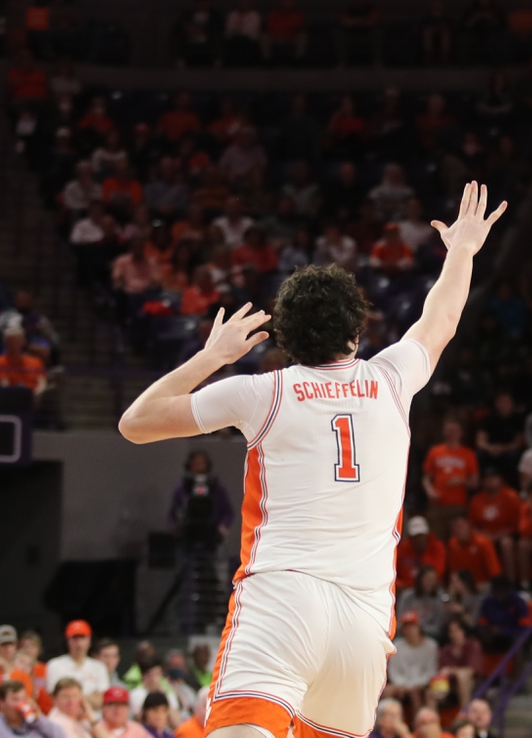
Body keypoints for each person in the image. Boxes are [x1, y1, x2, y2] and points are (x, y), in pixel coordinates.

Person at [117, 182, 505, 738]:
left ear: (288, 336)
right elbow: (439, 319)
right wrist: (463, 250)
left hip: (283, 598)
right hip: (364, 620)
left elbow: (136, 423)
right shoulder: (391, 378)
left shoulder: (261, 392)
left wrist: (211, 356)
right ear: (357, 325)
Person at [422, 420, 480, 541]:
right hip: (437, 505)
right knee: (436, 540)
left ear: (460, 433)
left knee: (456, 541)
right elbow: (426, 478)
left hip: (458, 506)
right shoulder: (435, 452)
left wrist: (461, 481)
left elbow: (475, 482)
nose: (451, 433)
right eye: (448, 430)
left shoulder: (468, 454)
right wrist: (430, 491)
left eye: (454, 430)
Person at [383, 613, 438, 718]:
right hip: (402, 684)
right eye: (406, 627)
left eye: (413, 626)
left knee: (415, 693)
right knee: (387, 691)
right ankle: (389, 724)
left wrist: (414, 686)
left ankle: (419, 723)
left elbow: (431, 671)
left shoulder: (431, 646)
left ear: (419, 627)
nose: (410, 630)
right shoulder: (396, 646)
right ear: (402, 630)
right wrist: (405, 686)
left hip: (424, 684)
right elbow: (394, 672)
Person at [44, 623, 108, 711]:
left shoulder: (99, 667)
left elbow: (101, 701)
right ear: (68, 641)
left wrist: (70, 696)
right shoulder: (54, 665)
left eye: (82, 638)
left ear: (89, 641)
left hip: (92, 717)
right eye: (74, 638)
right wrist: (90, 696)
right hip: (63, 718)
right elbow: (54, 699)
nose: (79, 643)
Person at [0, 681, 64, 738]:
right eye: (15, 699)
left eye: (23, 699)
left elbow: (60, 735)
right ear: (1, 703)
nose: (20, 704)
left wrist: (39, 718)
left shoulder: (33, 722)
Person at [437, 621, 481, 709]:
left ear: (463, 631)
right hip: (449, 685)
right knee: (430, 692)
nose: (454, 634)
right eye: (451, 631)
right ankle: (430, 719)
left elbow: (471, 671)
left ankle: (465, 712)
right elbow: (441, 671)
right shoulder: (445, 650)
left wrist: (451, 671)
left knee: (462, 675)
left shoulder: (472, 645)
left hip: (471, 683)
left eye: (457, 630)